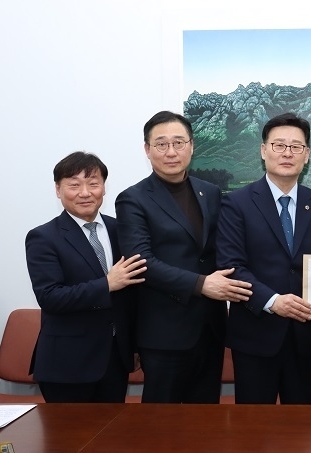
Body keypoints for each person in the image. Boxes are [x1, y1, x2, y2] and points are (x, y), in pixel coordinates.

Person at [115, 111, 252, 403]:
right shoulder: (132, 199)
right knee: (161, 423)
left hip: (210, 328)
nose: (171, 152)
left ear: (191, 146)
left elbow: (220, 250)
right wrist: (201, 284)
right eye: (161, 144)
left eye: (179, 142)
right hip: (164, 332)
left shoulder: (210, 192)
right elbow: (141, 262)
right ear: (147, 149)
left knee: (205, 419)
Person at [216, 112, 311, 404]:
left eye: (296, 146)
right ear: (263, 151)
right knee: (254, 425)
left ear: (306, 155)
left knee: (302, 423)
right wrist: (273, 301)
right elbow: (232, 267)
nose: (287, 153)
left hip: (305, 335)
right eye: (279, 145)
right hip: (255, 334)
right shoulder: (236, 203)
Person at [25, 151, 146, 402]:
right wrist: (107, 284)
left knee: (113, 427)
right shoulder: (43, 237)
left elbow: (132, 296)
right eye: (74, 185)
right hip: (67, 364)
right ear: (58, 190)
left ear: (104, 188)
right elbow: (50, 297)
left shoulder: (120, 230)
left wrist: (133, 346)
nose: (85, 193)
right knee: (67, 430)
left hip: (115, 360)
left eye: (93, 184)